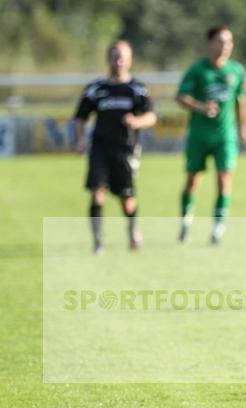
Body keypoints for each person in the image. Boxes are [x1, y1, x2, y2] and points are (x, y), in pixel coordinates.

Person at [74, 40, 157, 254]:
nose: (118, 61)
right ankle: (98, 242)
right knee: (97, 192)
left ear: (129, 60)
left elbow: (151, 116)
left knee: (126, 198)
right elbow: (81, 117)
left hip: (125, 150)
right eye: (114, 57)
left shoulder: (137, 89)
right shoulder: (96, 89)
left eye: (122, 57)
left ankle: (132, 231)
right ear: (107, 59)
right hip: (100, 148)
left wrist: (137, 122)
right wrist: (80, 139)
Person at [175, 26, 246, 245]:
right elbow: (180, 96)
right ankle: (186, 222)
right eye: (221, 41)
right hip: (199, 135)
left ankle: (218, 228)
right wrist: (200, 107)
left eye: (229, 42)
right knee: (192, 180)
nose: (226, 46)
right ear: (209, 44)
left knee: (224, 178)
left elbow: (240, 99)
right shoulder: (198, 70)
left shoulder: (236, 70)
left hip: (225, 136)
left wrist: (244, 127)